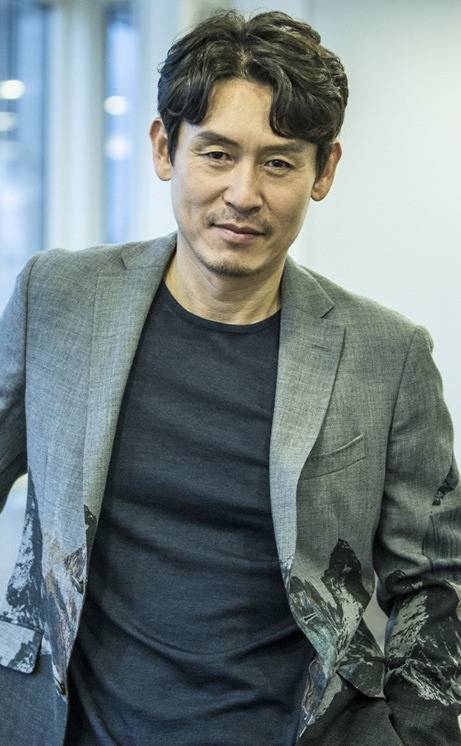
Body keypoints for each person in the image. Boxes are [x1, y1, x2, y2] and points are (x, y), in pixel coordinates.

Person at [0, 8, 459, 745]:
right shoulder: (56, 300)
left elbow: (436, 583)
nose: (243, 194)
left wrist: (414, 736)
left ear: (323, 171)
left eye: (278, 162)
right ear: (165, 148)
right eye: (217, 153)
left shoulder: (388, 354)